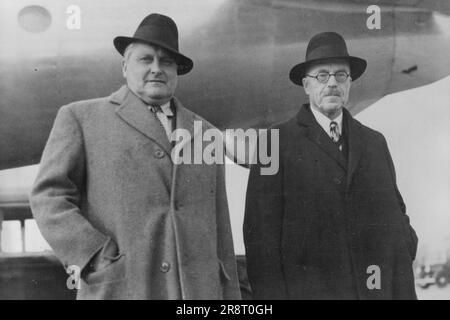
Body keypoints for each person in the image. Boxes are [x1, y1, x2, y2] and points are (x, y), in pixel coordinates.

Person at [30, 13, 241, 300]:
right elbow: (49, 196)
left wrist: (229, 295)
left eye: (166, 62)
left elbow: (220, 226)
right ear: (124, 66)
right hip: (120, 287)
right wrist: (95, 256)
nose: (157, 68)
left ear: (176, 72)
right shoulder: (80, 117)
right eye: (146, 59)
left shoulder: (205, 133)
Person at [243, 32, 418, 300]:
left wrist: (404, 251)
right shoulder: (273, 144)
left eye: (341, 75)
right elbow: (261, 244)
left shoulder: (374, 142)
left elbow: (397, 216)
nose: (332, 83)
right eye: (322, 76)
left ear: (350, 83)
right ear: (306, 85)